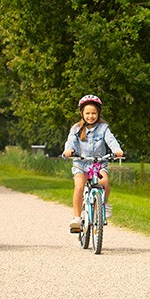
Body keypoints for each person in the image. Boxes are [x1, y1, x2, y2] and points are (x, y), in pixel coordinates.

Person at [63, 94, 124, 233]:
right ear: (82, 114)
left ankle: (102, 206)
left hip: (98, 164)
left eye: (94, 113)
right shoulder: (76, 129)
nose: (91, 116)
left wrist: (117, 150)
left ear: (98, 113)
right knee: (79, 186)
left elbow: (111, 140)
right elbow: (70, 142)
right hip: (81, 163)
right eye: (88, 113)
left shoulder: (103, 128)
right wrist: (68, 150)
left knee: (105, 183)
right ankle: (77, 218)